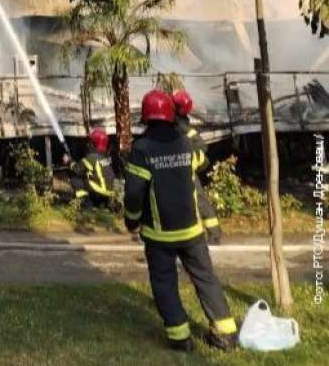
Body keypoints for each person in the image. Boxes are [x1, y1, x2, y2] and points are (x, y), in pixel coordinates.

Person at [124, 90, 238, 352]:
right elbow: (201, 161)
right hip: (192, 232)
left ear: (146, 116)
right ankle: (226, 334)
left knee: (164, 283)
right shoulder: (185, 143)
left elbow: (134, 193)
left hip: (159, 235)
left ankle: (180, 337)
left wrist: (131, 221)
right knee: (206, 278)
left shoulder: (142, 149)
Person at [172, 90, 222, 244]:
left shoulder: (178, 127)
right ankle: (214, 233)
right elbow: (202, 147)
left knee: (196, 199)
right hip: (186, 168)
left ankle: (211, 233)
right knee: (199, 199)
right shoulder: (186, 127)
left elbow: (201, 147)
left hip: (179, 169)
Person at [64, 128, 116, 208]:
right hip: (108, 193)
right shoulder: (106, 157)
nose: (88, 144)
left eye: (90, 142)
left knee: (75, 177)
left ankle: (86, 202)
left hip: (98, 193)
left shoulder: (91, 158)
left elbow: (76, 169)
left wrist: (68, 161)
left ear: (93, 144)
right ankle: (103, 204)